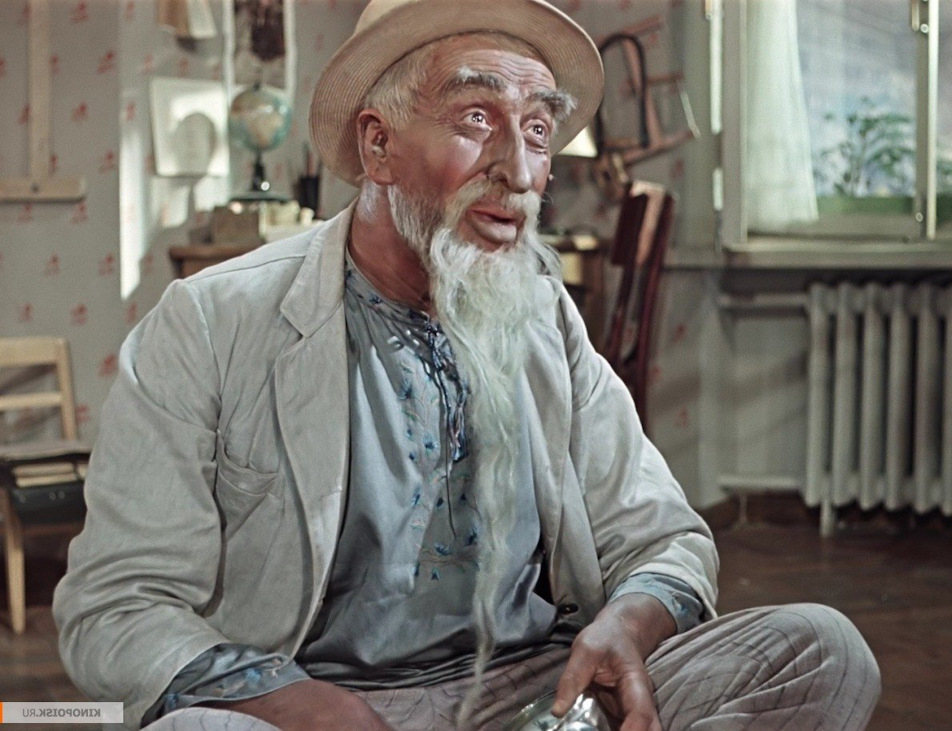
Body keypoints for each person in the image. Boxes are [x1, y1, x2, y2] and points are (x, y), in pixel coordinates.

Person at [53, 0, 881, 729]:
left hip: (540, 693)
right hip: (322, 700)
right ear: (378, 144)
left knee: (821, 648)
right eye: (477, 118)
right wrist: (294, 702)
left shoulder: (544, 314)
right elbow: (117, 604)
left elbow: (665, 536)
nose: (519, 173)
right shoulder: (211, 322)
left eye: (537, 131)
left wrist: (626, 625)